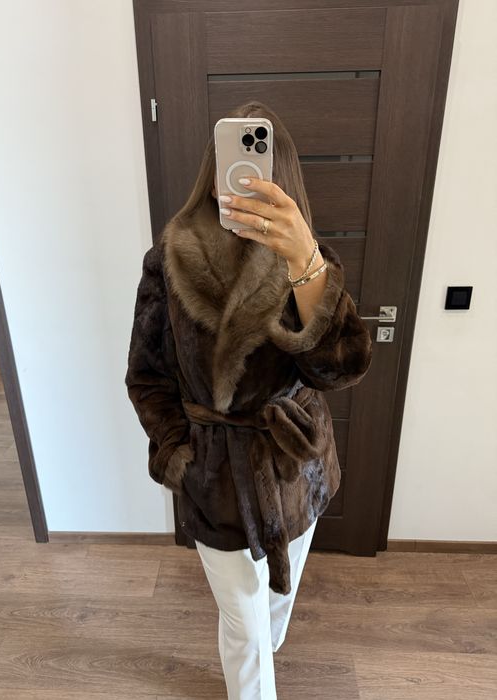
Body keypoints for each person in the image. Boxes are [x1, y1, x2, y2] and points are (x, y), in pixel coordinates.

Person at [125, 101, 373, 699]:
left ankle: (269, 641)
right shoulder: (167, 263)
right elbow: (146, 376)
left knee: (276, 605)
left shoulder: (309, 261)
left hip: (296, 467)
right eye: (229, 160)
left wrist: (305, 263)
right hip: (216, 475)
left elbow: (341, 369)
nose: (240, 176)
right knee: (243, 622)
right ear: (213, 169)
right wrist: (179, 456)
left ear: (281, 177)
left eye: (259, 162)